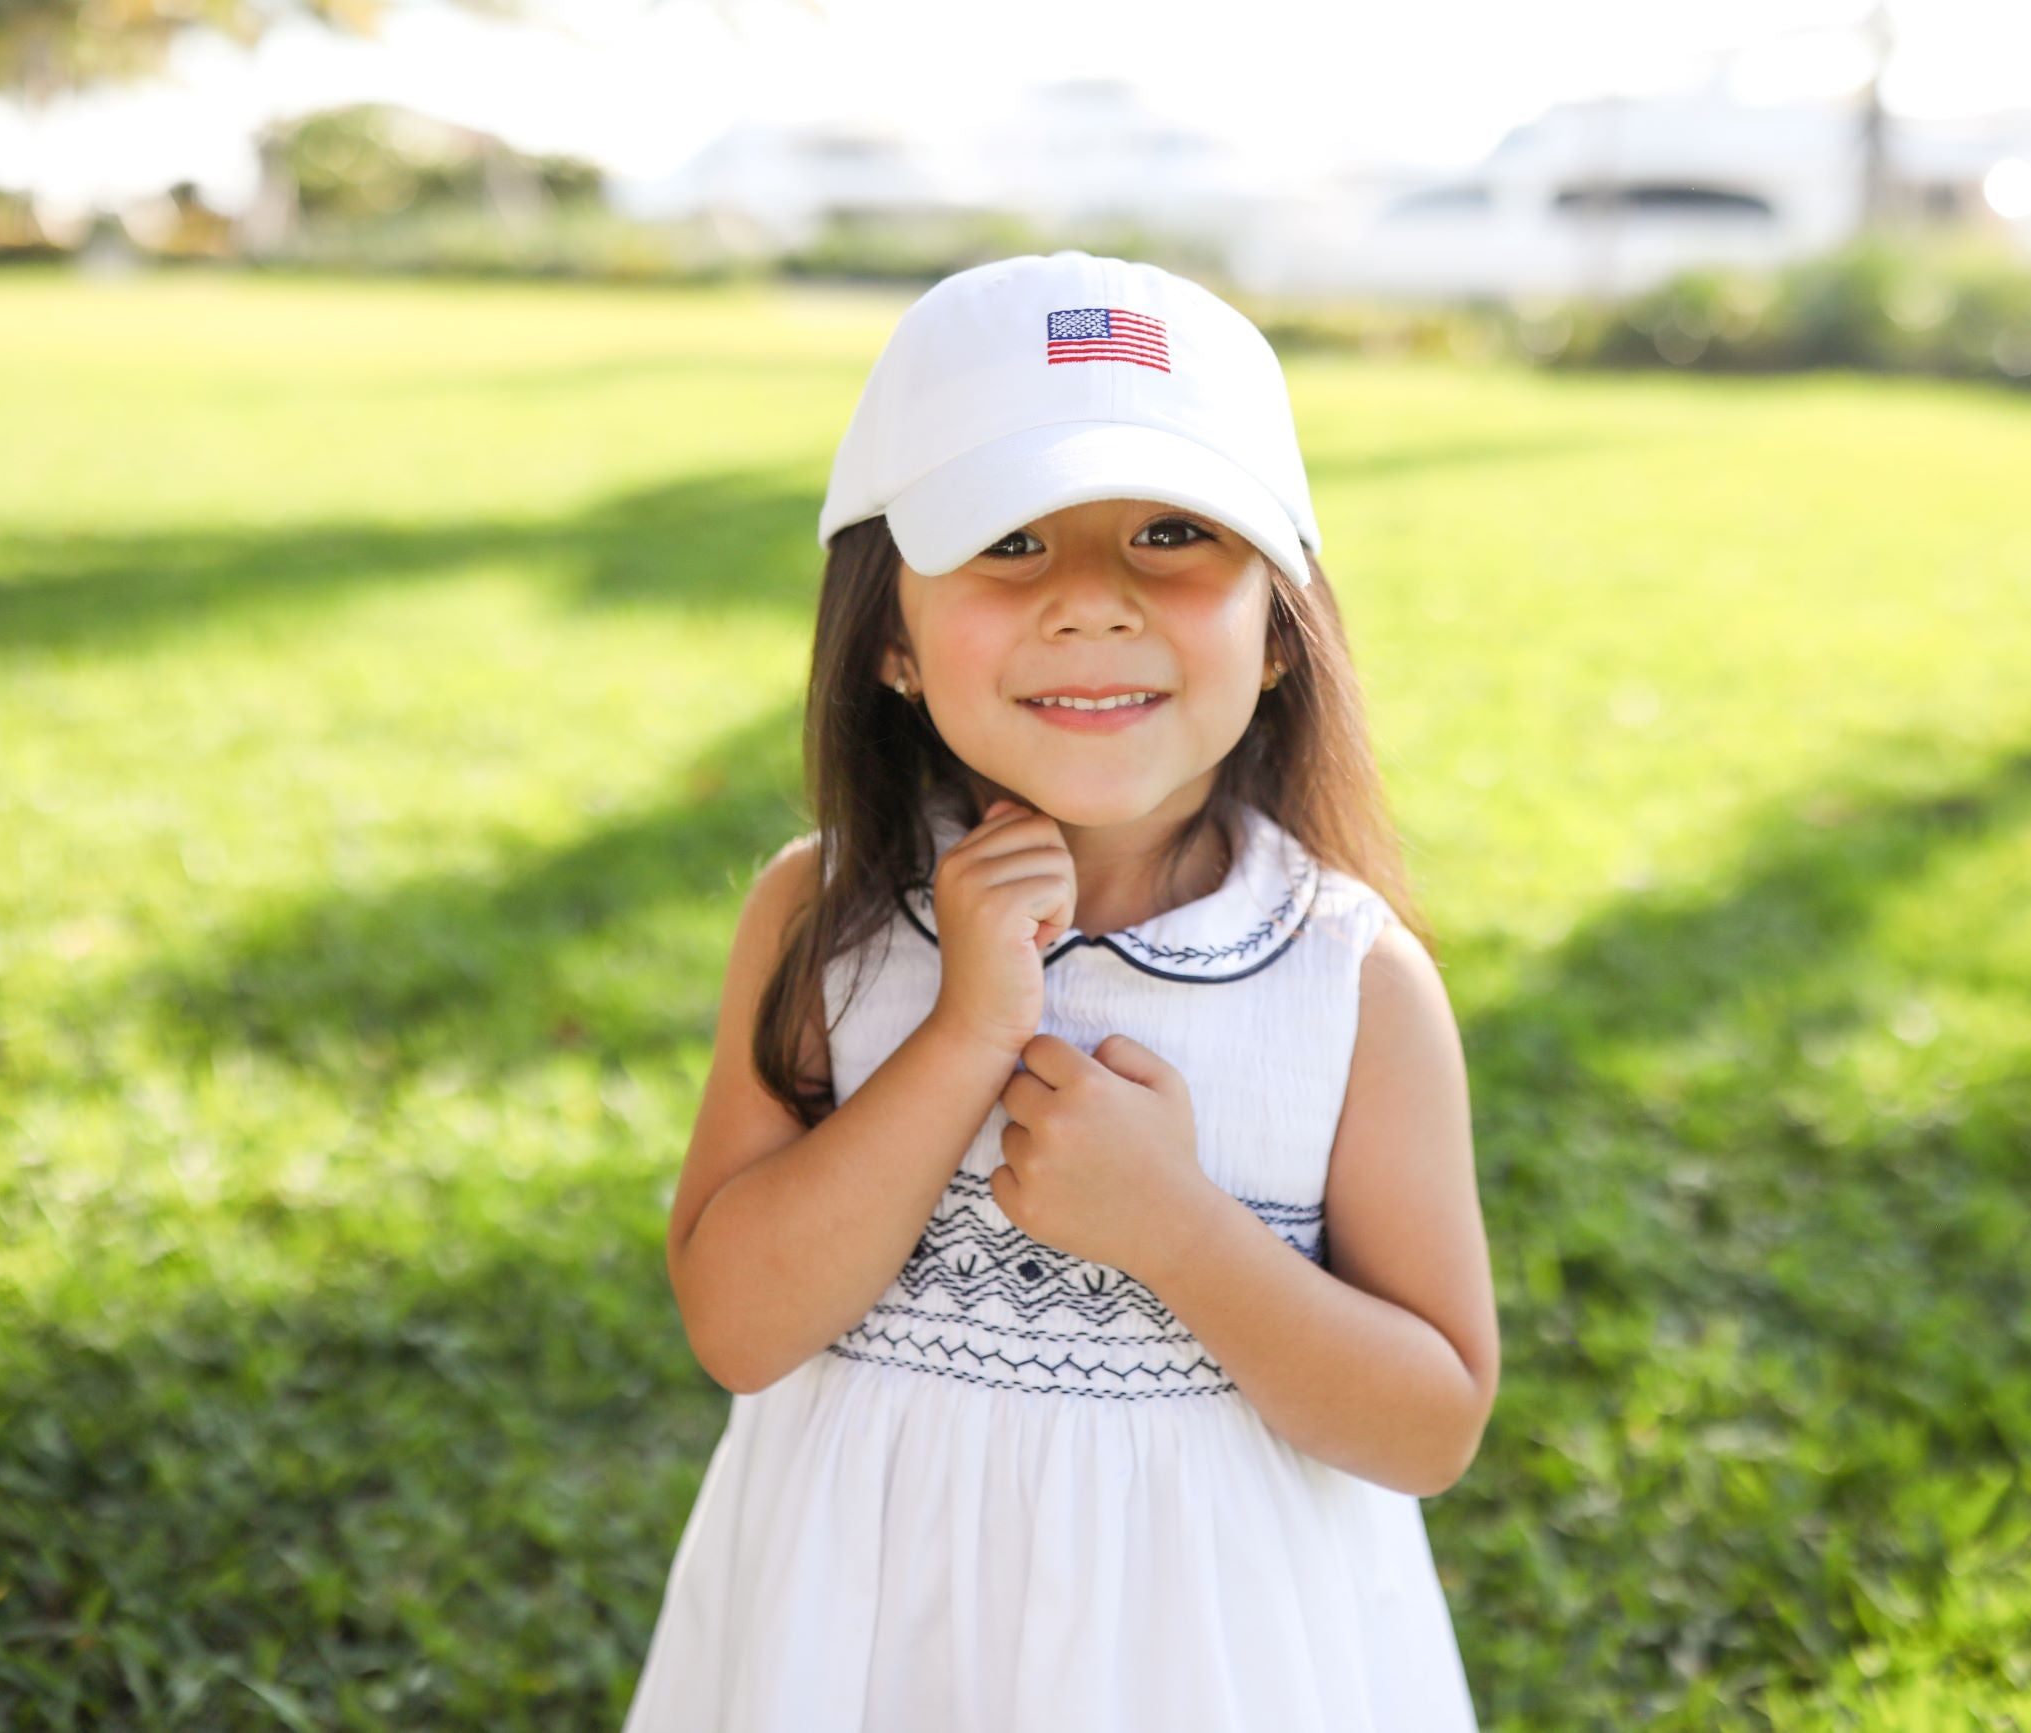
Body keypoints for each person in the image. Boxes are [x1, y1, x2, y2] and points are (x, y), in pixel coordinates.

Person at [620, 249, 1496, 1732]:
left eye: (1172, 533)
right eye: (1011, 539)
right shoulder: (824, 918)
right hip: (868, 1647)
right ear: (889, 634)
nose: (1092, 604)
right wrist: (966, 1030)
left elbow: (1430, 1425)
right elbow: (739, 1327)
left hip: (1207, 1670)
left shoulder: (1348, 977)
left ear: (1280, 626)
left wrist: (1175, 1228)